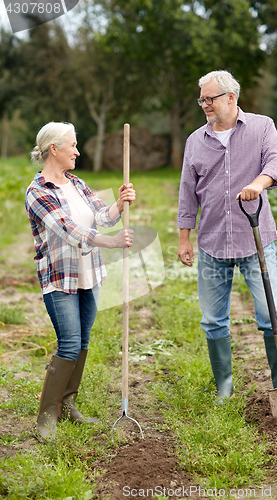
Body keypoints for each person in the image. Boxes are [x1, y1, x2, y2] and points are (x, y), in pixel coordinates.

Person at [177, 70, 277, 402]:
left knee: (272, 314)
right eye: (202, 99)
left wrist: (259, 183)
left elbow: (275, 160)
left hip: (254, 238)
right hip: (212, 241)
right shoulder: (195, 141)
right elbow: (187, 193)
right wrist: (184, 237)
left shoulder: (262, 126)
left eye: (210, 99)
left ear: (231, 97)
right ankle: (224, 388)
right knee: (213, 320)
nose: (205, 105)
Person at [25, 121, 135, 439]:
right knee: (69, 343)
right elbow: (69, 231)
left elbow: (99, 216)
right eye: (72, 145)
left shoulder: (77, 183)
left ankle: (68, 405)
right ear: (54, 149)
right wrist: (111, 242)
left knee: (83, 342)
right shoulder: (38, 192)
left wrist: (118, 204)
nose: (77, 150)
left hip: (90, 274)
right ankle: (47, 416)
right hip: (60, 279)